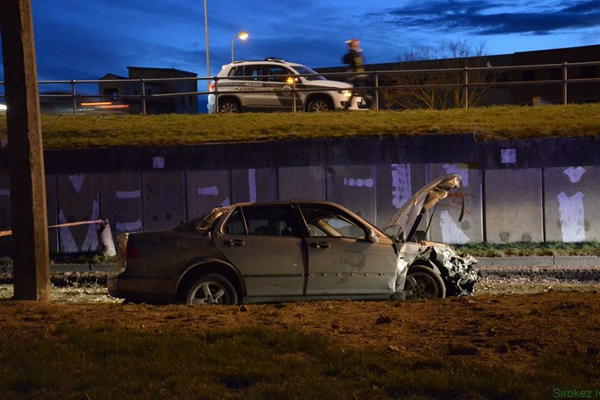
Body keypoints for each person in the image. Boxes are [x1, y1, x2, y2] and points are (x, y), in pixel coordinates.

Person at [342, 38, 374, 110]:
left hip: (358, 76)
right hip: (360, 75)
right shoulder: (359, 53)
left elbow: (346, 60)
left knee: (363, 93)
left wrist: (349, 50)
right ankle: (347, 106)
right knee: (354, 92)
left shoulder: (353, 53)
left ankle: (371, 104)